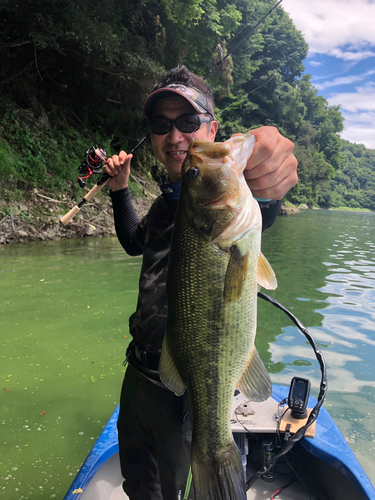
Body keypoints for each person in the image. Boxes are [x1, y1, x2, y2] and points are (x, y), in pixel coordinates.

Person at [104, 65, 298, 500]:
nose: (174, 137)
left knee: (178, 487)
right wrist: (119, 190)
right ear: (153, 136)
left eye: (188, 123)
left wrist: (266, 187)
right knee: (139, 486)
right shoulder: (163, 205)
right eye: (161, 125)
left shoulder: (223, 200)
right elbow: (135, 244)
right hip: (138, 375)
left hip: (187, 385)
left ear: (212, 128)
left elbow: (256, 206)